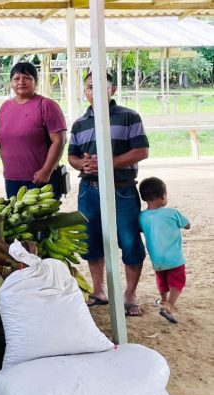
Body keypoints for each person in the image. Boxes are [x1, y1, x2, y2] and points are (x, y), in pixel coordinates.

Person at [68, 71, 148, 316]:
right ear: (85, 91)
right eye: (90, 87)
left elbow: (141, 151)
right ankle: (99, 290)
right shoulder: (80, 123)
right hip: (89, 190)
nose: (95, 91)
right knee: (92, 241)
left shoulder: (129, 117)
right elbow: (71, 156)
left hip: (121, 190)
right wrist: (83, 165)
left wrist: (106, 163)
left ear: (112, 90)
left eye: (102, 86)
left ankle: (129, 294)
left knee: (130, 241)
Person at [0, 62, 66, 198]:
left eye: (27, 78)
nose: (21, 82)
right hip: (12, 180)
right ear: (11, 82)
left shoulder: (46, 105)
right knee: (17, 218)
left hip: (40, 179)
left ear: (36, 82)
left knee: (41, 220)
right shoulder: (5, 107)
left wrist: (46, 170)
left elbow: (59, 141)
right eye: (16, 78)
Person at [139, 177, 190, 323]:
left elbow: (141, 229)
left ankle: (163, 299)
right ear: (163, 196)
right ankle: (170, 305)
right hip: (175, 258)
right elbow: (187, 225)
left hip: (157, 259)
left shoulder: (142, 217)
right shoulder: (172, 213)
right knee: (177, 281)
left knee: (162, 280)